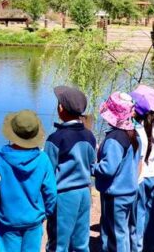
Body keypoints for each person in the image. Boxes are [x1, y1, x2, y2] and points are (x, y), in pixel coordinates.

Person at [0, 110, 57, 252]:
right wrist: (45, 213)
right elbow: (51, 192)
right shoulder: (43, 159)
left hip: (7, 220)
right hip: (34, 221)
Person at [44, 86, 96, 252]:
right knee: (81, 242)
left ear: (61, 109)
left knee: (58, 243)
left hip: (64, 195)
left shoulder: (55, 138)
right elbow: (91, 163)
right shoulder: (89, 136)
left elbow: (48, 172)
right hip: (84, 193)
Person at [93, 92, 139, 252]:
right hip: (128, 190)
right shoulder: (133, 133)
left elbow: (108, 169)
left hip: (116, 193)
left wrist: (92, 166)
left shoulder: (114, 138)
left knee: (113, 234)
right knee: (121, 231)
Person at [130, 84, 154, 252]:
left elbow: (139, 160)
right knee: (151, 209)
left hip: (141, 177)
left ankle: (138, 246)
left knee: (138, 215)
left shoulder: (138, 130)